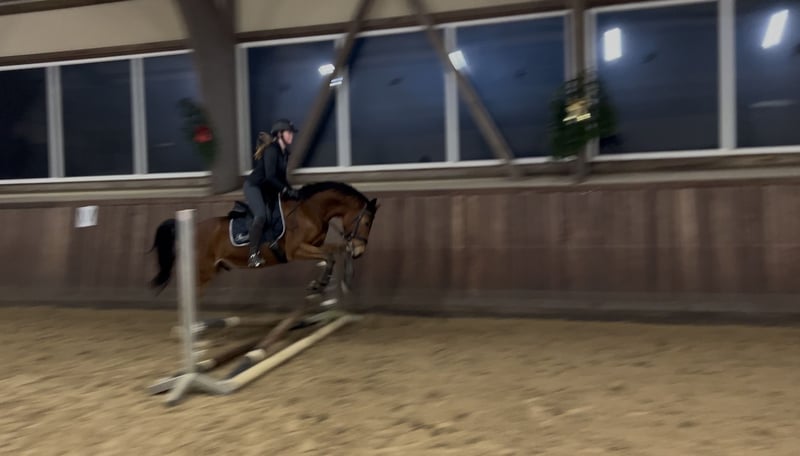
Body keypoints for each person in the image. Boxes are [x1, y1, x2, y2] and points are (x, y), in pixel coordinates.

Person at [243, 118, 300, 268]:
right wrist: (285, 190)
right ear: (280, 134)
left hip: (267, 190)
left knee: (274, 216)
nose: (291, 135)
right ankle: (253, 254)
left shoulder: (284, 153)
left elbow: (282, 178)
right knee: (261, 215)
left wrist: (293, 191)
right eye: (289, 132)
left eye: (292, 133)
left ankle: (272, 243)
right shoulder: (272, 150)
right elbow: (270, 176)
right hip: (254, 186)